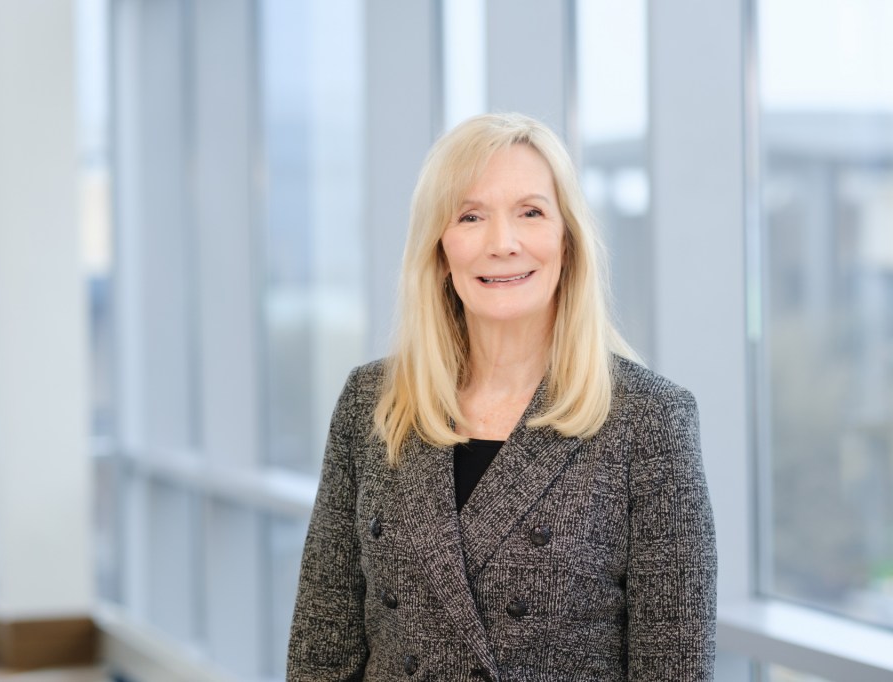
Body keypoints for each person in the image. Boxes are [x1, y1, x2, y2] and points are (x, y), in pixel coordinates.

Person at [287, 112, 717, 681]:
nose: (503, 244)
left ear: (567, 239)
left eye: (531, 213)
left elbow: (675, 670)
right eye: (470, 216)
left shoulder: (648, 420)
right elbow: (321, 653)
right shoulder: (374, 401)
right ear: (440, 249)